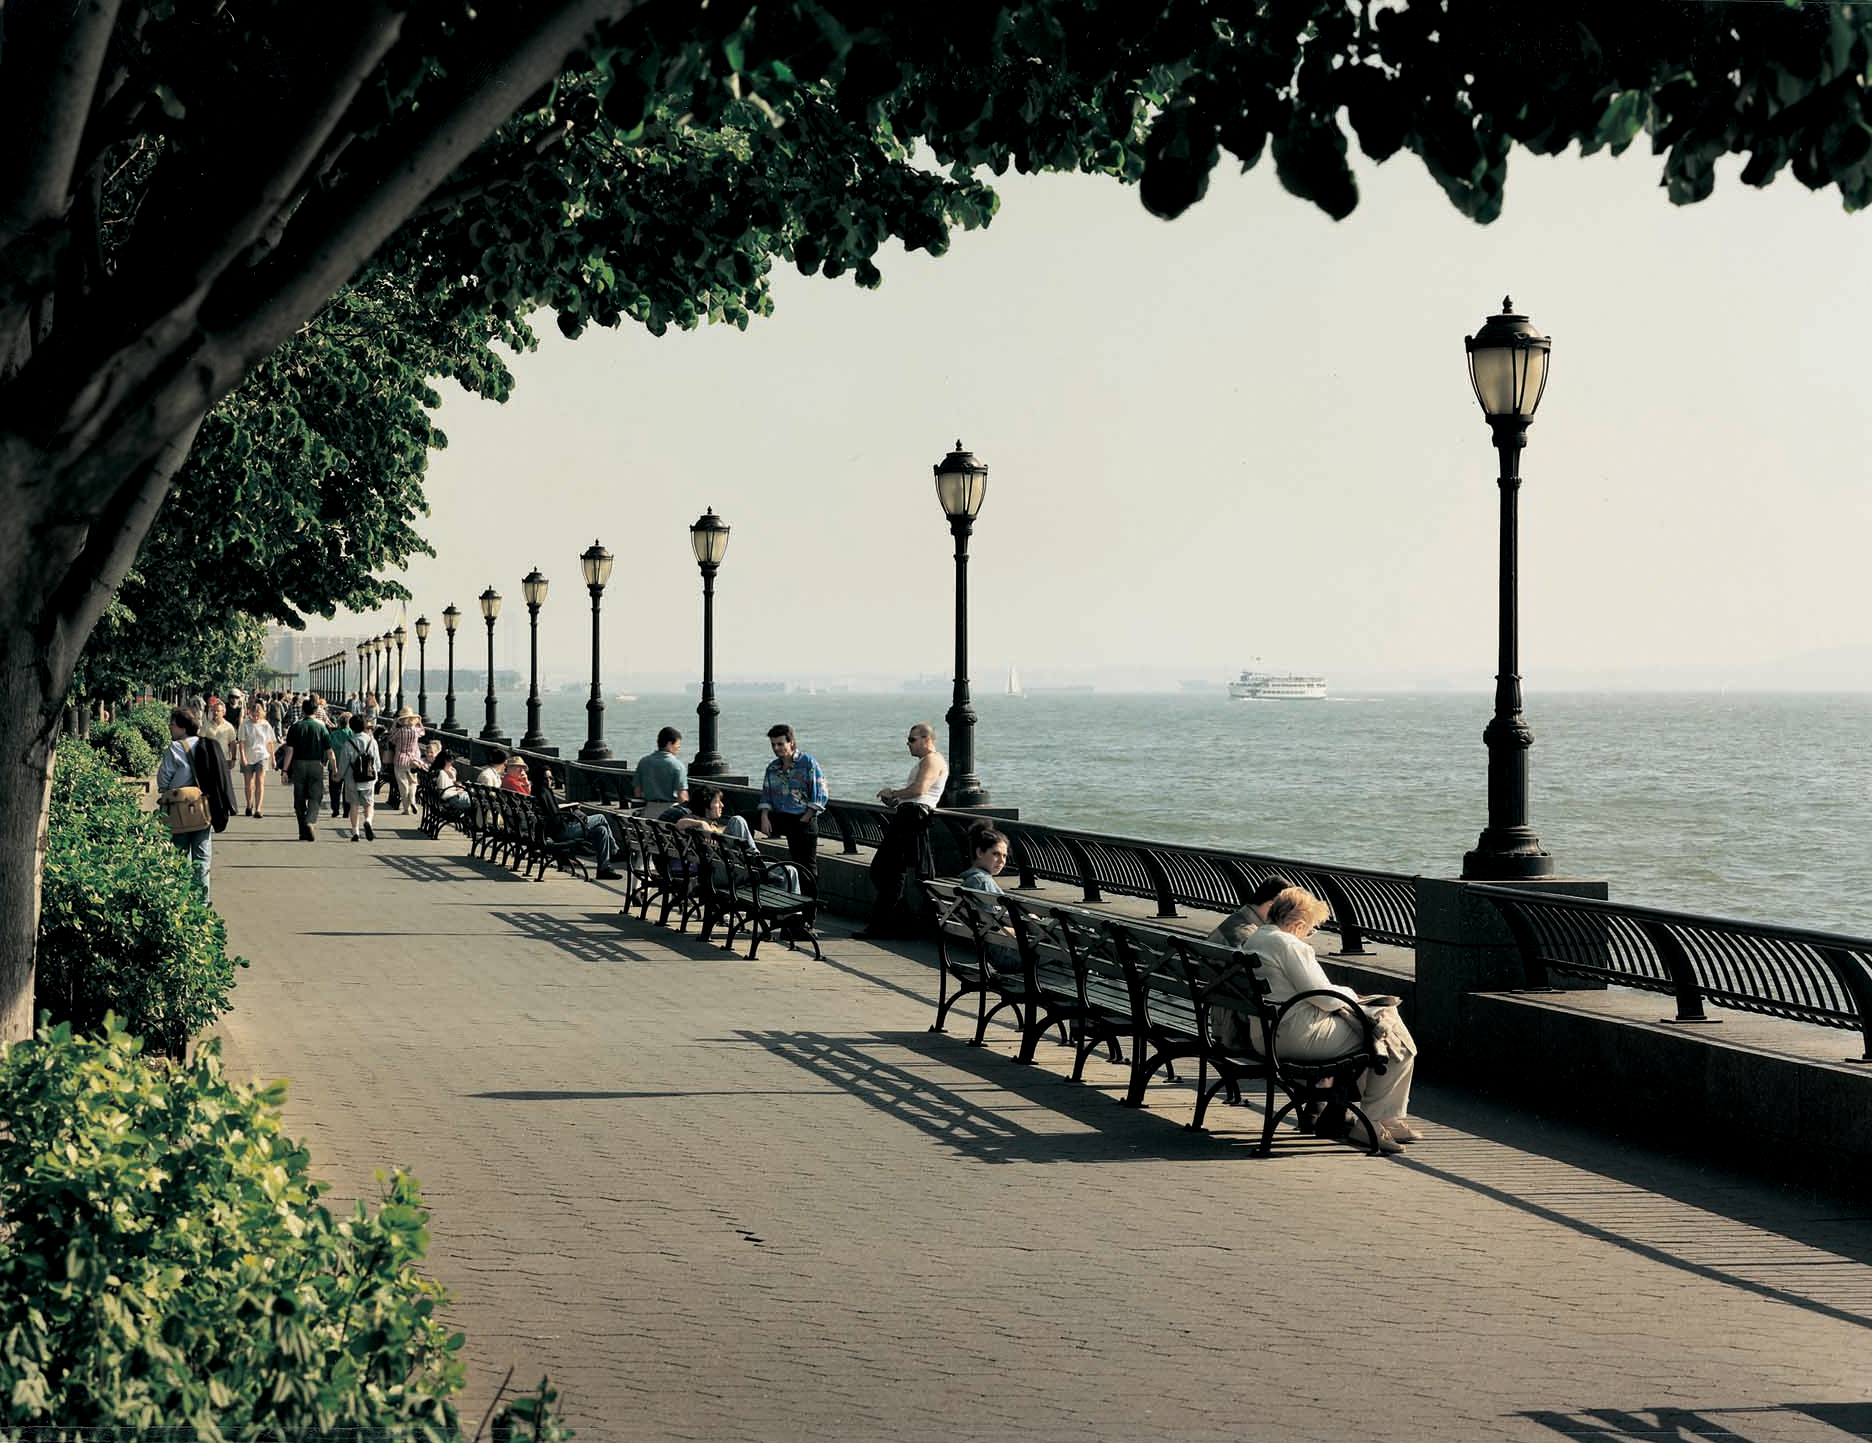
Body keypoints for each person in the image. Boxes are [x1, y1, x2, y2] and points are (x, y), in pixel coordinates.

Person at [1245, 887, 1420, 1155]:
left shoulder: (1257, 939)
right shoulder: (1289, 944)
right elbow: (1325, 998)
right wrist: (1354, 996)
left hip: (1267, 1035)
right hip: (1298, 1037)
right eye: (1310, 929)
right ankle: (1375, 1121)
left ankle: (1385, 1118)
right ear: (1299, 924)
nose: (1308, 935)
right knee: (1389, 1035)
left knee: (1383, 1028)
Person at [855, 722, 949, 940]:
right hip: (907, 813)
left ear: (927, 740)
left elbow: (920, 790)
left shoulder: (933, 759)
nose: (908, 744)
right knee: (885, 871)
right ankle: (899, 922)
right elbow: (914, 793)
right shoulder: (924, 761)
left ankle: (886, 925)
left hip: (914, 816)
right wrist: (894, 799)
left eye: (912, 739)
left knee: (890, 871)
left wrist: (895, 792)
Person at [755, 724, 826, 912]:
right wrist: (764, 817)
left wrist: (806, 817)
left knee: (806, 869)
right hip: (782, 817)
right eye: (773, 745)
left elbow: (820, 795)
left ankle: (808, 914)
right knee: (743, 818)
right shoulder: (772, 767)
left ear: (791, 742)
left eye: (780, 744)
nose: (776, 749)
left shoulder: (808, 763)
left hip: (803, 820)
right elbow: (766, 795)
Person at [156, 707, 222, 902]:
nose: (170, 727)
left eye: (172, 724)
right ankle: (201, 903)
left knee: (179, 856)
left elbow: (163, 780)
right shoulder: (206, 744)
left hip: (178, 808)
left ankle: (180, 900)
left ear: (183, 727)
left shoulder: (175, 748)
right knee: (202, 858)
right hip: (202, 807)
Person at [534, 770, 624, 880]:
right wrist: (571, 815)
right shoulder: (544, 793)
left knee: (601, 830)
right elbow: (555, 817)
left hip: (554, 831)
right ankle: (614, 851)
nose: (550, 781)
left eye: (551, 778)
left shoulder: (540, 792)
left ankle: (603, 869)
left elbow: (553, 813)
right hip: (561, 833)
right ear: (540, 779)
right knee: (601, 817)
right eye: (546, 778)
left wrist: (567, 809)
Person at [279, 697, 333, 840]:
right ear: (316, 710)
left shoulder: (295, 727)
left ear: (302, 710)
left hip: (298, 765)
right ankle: (310, 821)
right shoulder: (321, 727)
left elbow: (289, 750)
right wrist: (335, 768)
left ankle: (302, 830)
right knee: (316, 796)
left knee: (299, 797)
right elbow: (329, 751)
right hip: (316, 764)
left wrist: (284, 771)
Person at [334, 712, 382, 841]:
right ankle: (368, 821)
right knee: (369, 804)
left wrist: (339, 776)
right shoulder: (372, 742)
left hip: (352, 779)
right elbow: (377, 763)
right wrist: (376, 774)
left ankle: (355, 832)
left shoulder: (349, 743)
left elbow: (343, 763)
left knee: (354, 805)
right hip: (368, 779)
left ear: (352, 727)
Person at [236, 700, 277, 818]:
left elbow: (269, 743)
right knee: (248, 783)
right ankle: (249, 805)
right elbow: (241, 743)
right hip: (248, 756)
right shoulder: (245, 724)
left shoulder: (265, 725)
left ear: (262, 714)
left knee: (260, 782)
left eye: (257, 715)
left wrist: (273, 758)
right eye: (253, 715)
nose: (255, 717)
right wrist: (242, 757)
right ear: (250, 713)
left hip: (262, 756)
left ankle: (258, 808)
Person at [199, 696, 239, 815]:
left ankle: (225, 807)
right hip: (209, 760)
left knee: (223, 784)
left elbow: (232, 743)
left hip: (224, 760)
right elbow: (201, 741)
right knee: (210, 785)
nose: (216, 713)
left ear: (223, 712)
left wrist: (233, 758)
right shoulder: (206, 725)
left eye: (218, 711)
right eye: (214, 711)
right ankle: (211, 808)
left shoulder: (229, 727)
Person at [634, 727, 689, 807]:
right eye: (678, 745)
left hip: (648, 808)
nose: (678, 749)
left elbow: (637, 791)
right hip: (669, 809)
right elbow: (682, 795)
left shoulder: (643, 762)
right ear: (669, 744)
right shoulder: (677, 765)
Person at [388, 707, 426, 814]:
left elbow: (391, 738)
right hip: (413, 761)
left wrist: (395, 724)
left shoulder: (400, 731)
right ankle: (412, 799)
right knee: (413, 782)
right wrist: (419, 722)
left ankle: (406, 809)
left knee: (403, 785)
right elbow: (422, 732)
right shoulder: (415, 731)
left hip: (400, 760)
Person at [958, 824, 1009, 895]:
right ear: (980, 852)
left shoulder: (973, 879)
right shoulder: (983, 882)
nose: (1002, 861)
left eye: (1004, 856)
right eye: (996, 854)